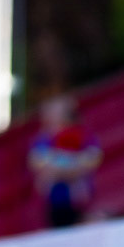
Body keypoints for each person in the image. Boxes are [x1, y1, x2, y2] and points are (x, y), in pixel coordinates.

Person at [28, 96, 101, 228]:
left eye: (58, 112)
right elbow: (38, 163)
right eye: (51, 112)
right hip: (51, 205)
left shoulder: (83, 136)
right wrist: (72, 165)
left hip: (80, 203)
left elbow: (91, 160)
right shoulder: (43, 139)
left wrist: (59, 168)